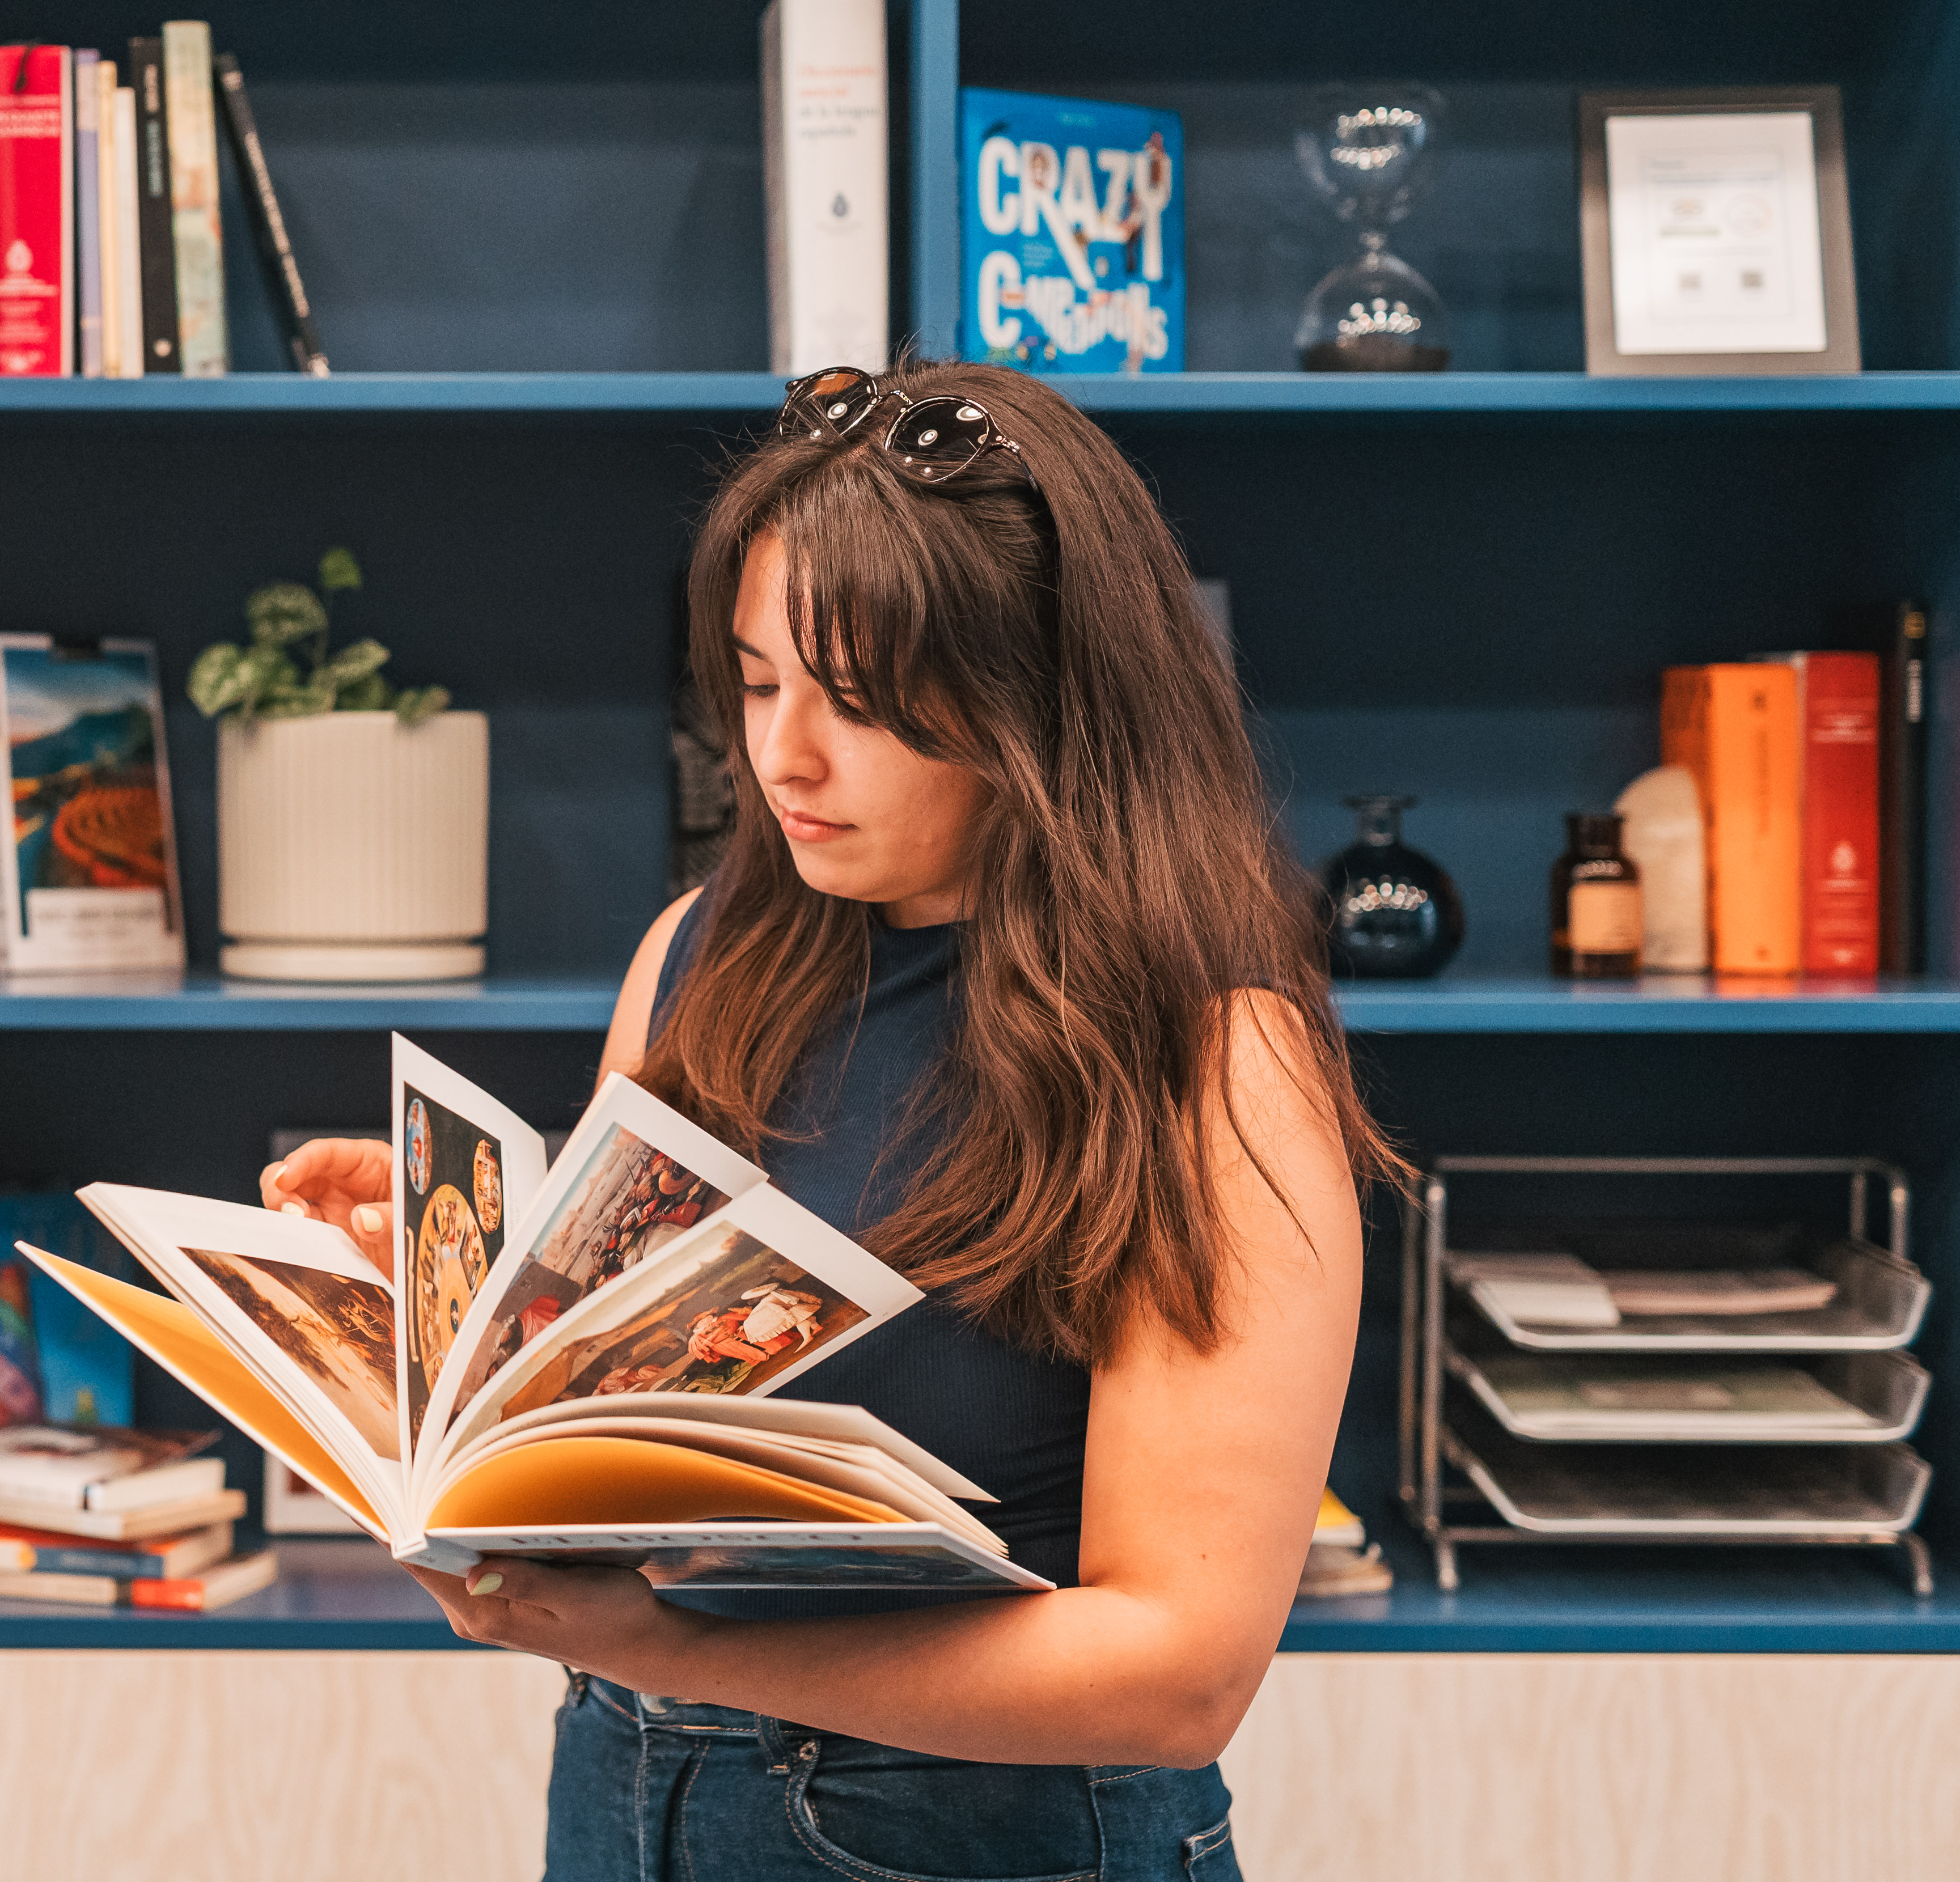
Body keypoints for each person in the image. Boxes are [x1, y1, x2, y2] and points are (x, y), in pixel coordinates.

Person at [263, 359, 1395, 1881]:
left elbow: (1178, 1673)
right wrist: (437, 1318)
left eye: (857, 703)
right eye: (753, 681)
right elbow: (612, 1433)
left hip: (981, 1840)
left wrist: (675, 1647)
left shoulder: (1211, 1055)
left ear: (1041, 704)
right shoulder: (696, 955)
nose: (782, 757)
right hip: (626, 1795)